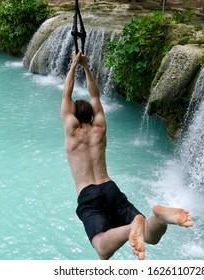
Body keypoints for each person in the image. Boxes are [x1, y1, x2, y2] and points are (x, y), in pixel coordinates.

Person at [61, 50, 193, 260]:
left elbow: (66, 96)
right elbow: (95, 95)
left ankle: (131, 227)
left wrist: (72, 65)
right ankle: (159, 217)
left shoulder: (72, 130)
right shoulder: (100, 127)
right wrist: (85, 66)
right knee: (150, 236)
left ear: (74, 116)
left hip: (88, 194)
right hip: (109, 187)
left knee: (102, 249)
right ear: (92, 115)